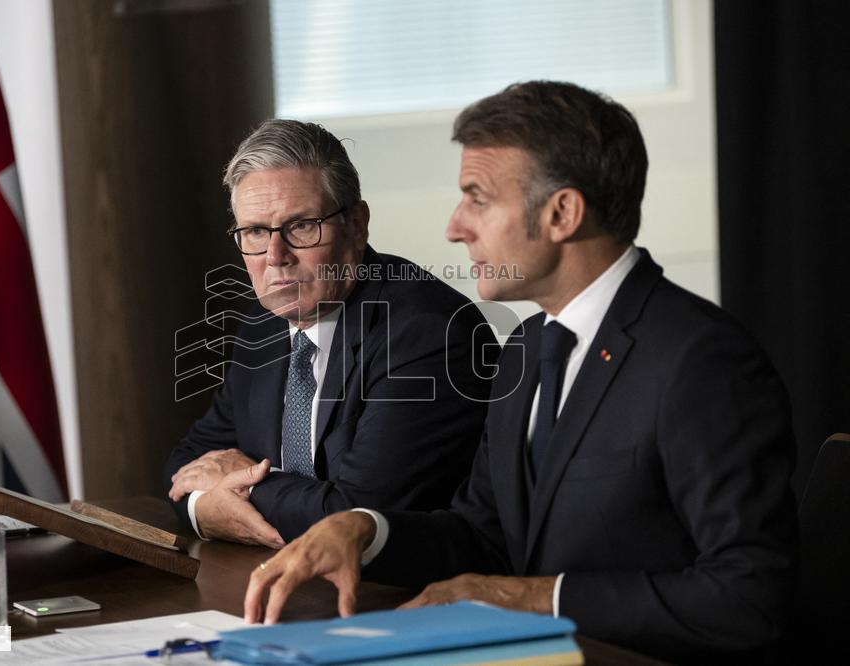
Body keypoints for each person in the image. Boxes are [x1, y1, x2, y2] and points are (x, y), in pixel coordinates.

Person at [242, 82, 798, 663]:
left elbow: (748, 597)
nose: (456, 227)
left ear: (562, 213)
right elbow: (485, 536)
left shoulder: (701, 360)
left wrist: (530, 597)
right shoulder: (528, 346)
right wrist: (364, 529)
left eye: (478, 198)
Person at [165, 119, 498, 548]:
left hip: (400, 597)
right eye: (254, 232)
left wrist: (231, 483)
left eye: (301, 226)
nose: (275, 257)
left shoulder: (429, 334)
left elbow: (357, 513)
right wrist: (201, 509)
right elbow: (188, 463)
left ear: (356, 224)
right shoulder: (264, 323)